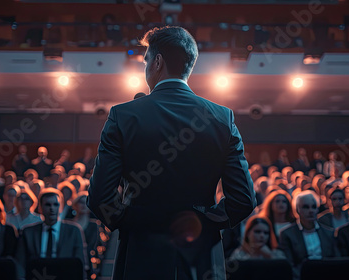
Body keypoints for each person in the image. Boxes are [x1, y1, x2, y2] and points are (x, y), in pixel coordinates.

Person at [87, 26, 256, 280]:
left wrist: (132, 220)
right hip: (202, 259)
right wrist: (204, 221)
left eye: (146, 61)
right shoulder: (223, 118)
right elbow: (243, 200)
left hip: (141, 253)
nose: (145, 68)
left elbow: (100, 196)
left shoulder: (123, 116)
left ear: (157, 61)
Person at [16, 188, 87, 277]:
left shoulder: (73, 231)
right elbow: (20, 263)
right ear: (40, 208)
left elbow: (80, 263)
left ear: (60, 207)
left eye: (55, 204)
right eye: (47, 205)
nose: (52, 208)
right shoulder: (28, 232)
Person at [278, 191, 339, 279]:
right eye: (306, 207)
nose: (311, 211)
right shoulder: (287, 234)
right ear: (297, 210)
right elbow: (289, 264)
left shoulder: (329, 233)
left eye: (314, 207)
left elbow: (336, 261)